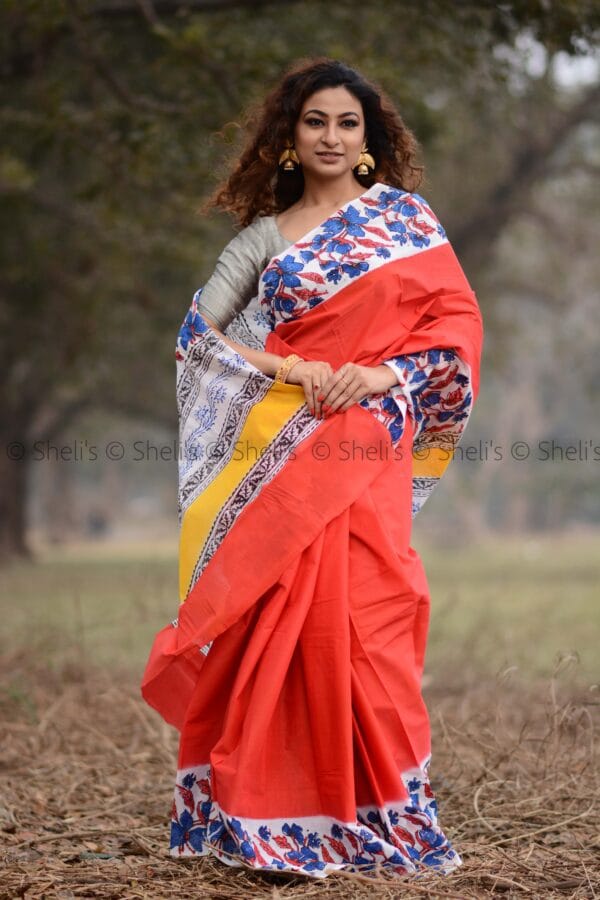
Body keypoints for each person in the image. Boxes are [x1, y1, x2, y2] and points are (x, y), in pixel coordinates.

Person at [141, 57, 483, 880]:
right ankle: (265, 823)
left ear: (370, 138)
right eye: (315, 121)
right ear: (289, 137)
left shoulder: (406, 223)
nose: (332, 136)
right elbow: (199, 338)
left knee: (373, 620)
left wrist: (378, 375)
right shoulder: (263, 237)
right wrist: (290, 369)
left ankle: (382, 815)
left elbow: (459, 331)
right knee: (272, 624)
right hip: (283, 454)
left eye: (348, 123)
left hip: (368, 449)